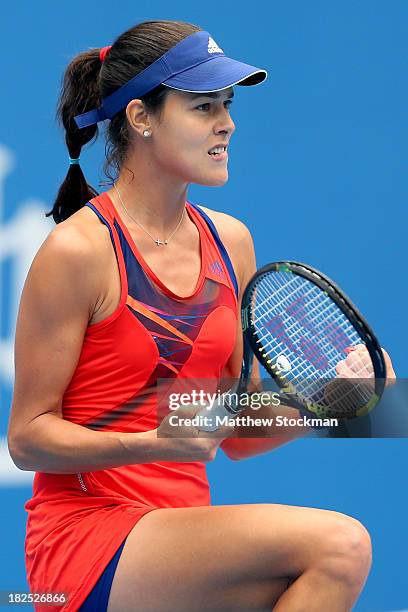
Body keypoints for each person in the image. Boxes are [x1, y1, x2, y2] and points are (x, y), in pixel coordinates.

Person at [7, 20, 395, 612]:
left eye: (228, 104)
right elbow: (28, 438)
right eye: (203, 106)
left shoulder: (230, 241)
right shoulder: (78, 252)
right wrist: (146, 442)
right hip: (84, 542)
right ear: (141, 117)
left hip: (177, 540)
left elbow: (235, 431)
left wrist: (339, 400)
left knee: (315, 576)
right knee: (339, 546)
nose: (227, 122)